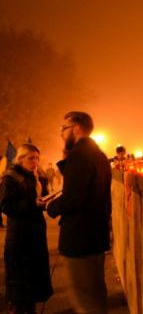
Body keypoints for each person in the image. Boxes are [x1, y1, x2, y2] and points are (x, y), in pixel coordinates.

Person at [46, 111, 112, 313]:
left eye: (63, 129)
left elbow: (74, 198)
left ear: (75, 128)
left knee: (86, 299)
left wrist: (51, 207)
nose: (61, 134)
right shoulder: (99, 155)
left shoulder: (80, 155)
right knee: (96, 294)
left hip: (80, 238)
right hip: (95, 236)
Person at [0, 143, 53, 313]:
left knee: (33, 281)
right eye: (31, 158)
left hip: (35, 233)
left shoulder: (35, 176)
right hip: (20, 236)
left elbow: (39, 198)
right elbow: (6, 205)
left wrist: (46, 200)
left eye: (37, 158)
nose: (35, 161)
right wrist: (32, 204)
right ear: (21, 159)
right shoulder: (10, 178)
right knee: (20, 281)